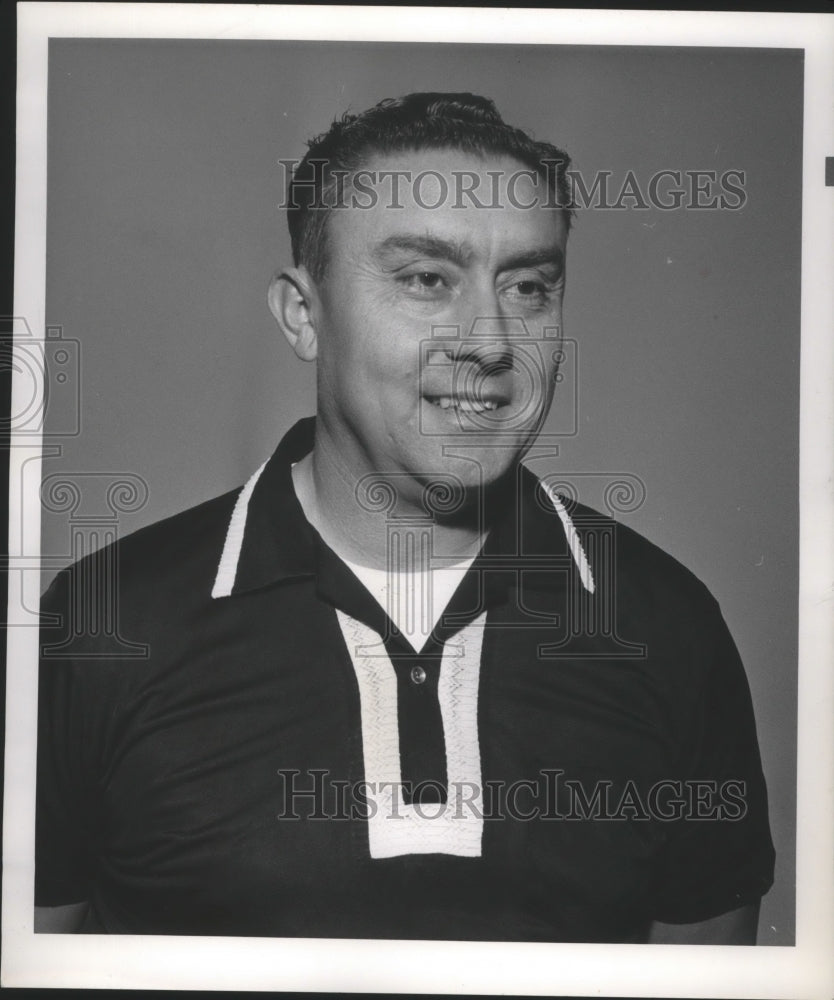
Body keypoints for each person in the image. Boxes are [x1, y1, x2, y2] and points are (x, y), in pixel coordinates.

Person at [35, 92, 774, 942]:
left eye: (529, 285)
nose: (492, 342)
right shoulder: (105, 623)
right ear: (303, 316)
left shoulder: (669, 624)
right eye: (428, 279)